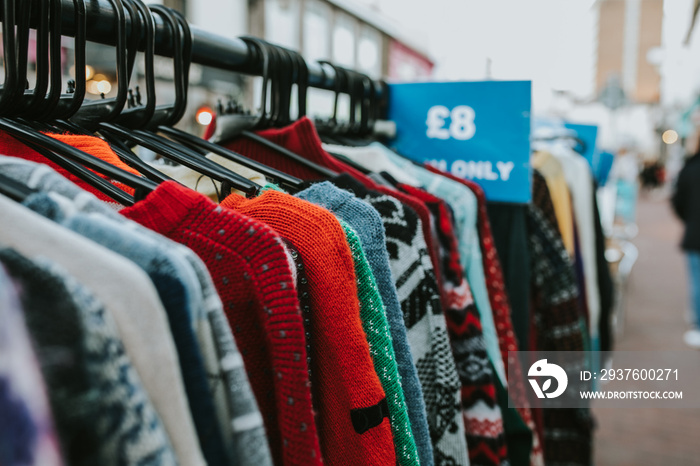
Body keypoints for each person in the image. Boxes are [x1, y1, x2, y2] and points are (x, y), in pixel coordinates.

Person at [672, 145, 700, 349]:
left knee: (697, 282)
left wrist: (689, 220)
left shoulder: (690, 168)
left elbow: (677, 200)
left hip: (695, 234)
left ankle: (698, 325)